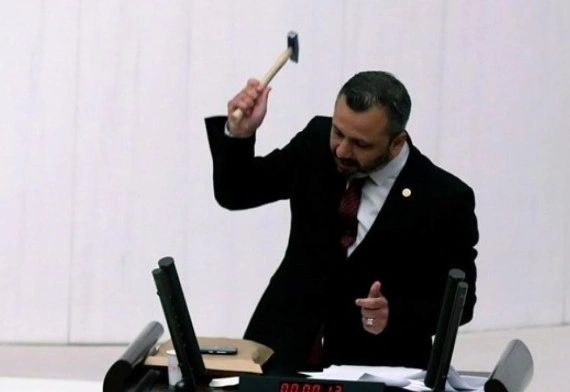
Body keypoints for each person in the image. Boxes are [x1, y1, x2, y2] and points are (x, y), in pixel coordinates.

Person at [205, 71, 479, 373]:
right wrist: (239, 133)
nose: (342, 150)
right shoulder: (316, 143)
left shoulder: (443, 197)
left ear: (397, 142)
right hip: (283, 351)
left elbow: (461, 303)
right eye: (338, 132)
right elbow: (237, 192)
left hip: (375, 369)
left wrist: (395, 314)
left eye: (361, 144)